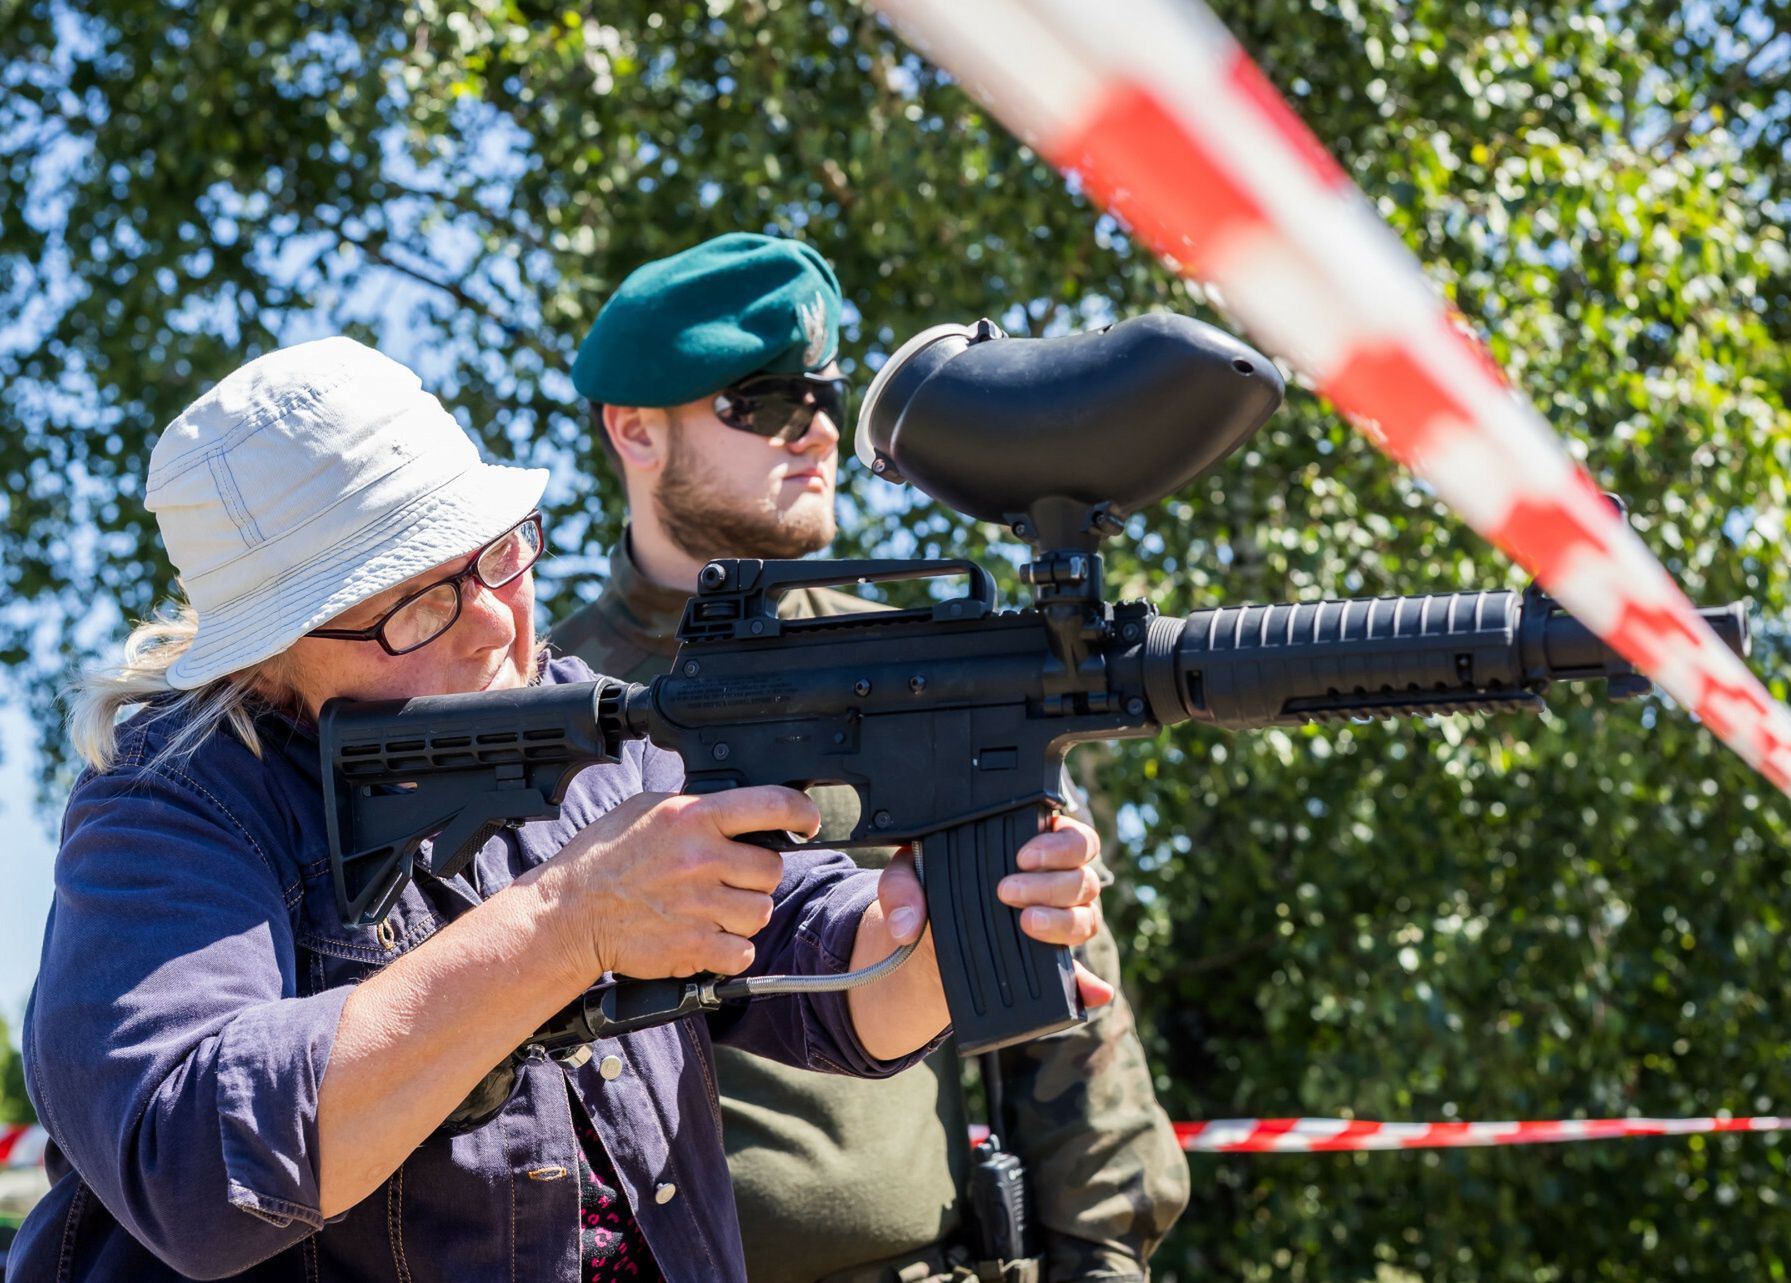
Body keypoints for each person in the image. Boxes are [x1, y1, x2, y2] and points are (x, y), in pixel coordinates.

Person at [8, 337, 1110, 1283]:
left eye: (499, 556)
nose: (492, 623)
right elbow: (198, 1168)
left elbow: (815, 965)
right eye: (416, 605)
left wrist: (934, 930)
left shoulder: (578, 727)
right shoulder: (173, 802)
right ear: (269, 654)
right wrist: (565, 922)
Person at [552, 233, 1191, 1283]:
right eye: (765, 402)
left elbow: (1068, 1008)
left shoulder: (929, 671)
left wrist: (1106, 1258)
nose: (816, 431)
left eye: (825, 397)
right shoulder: (549, 707)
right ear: (634, 429)